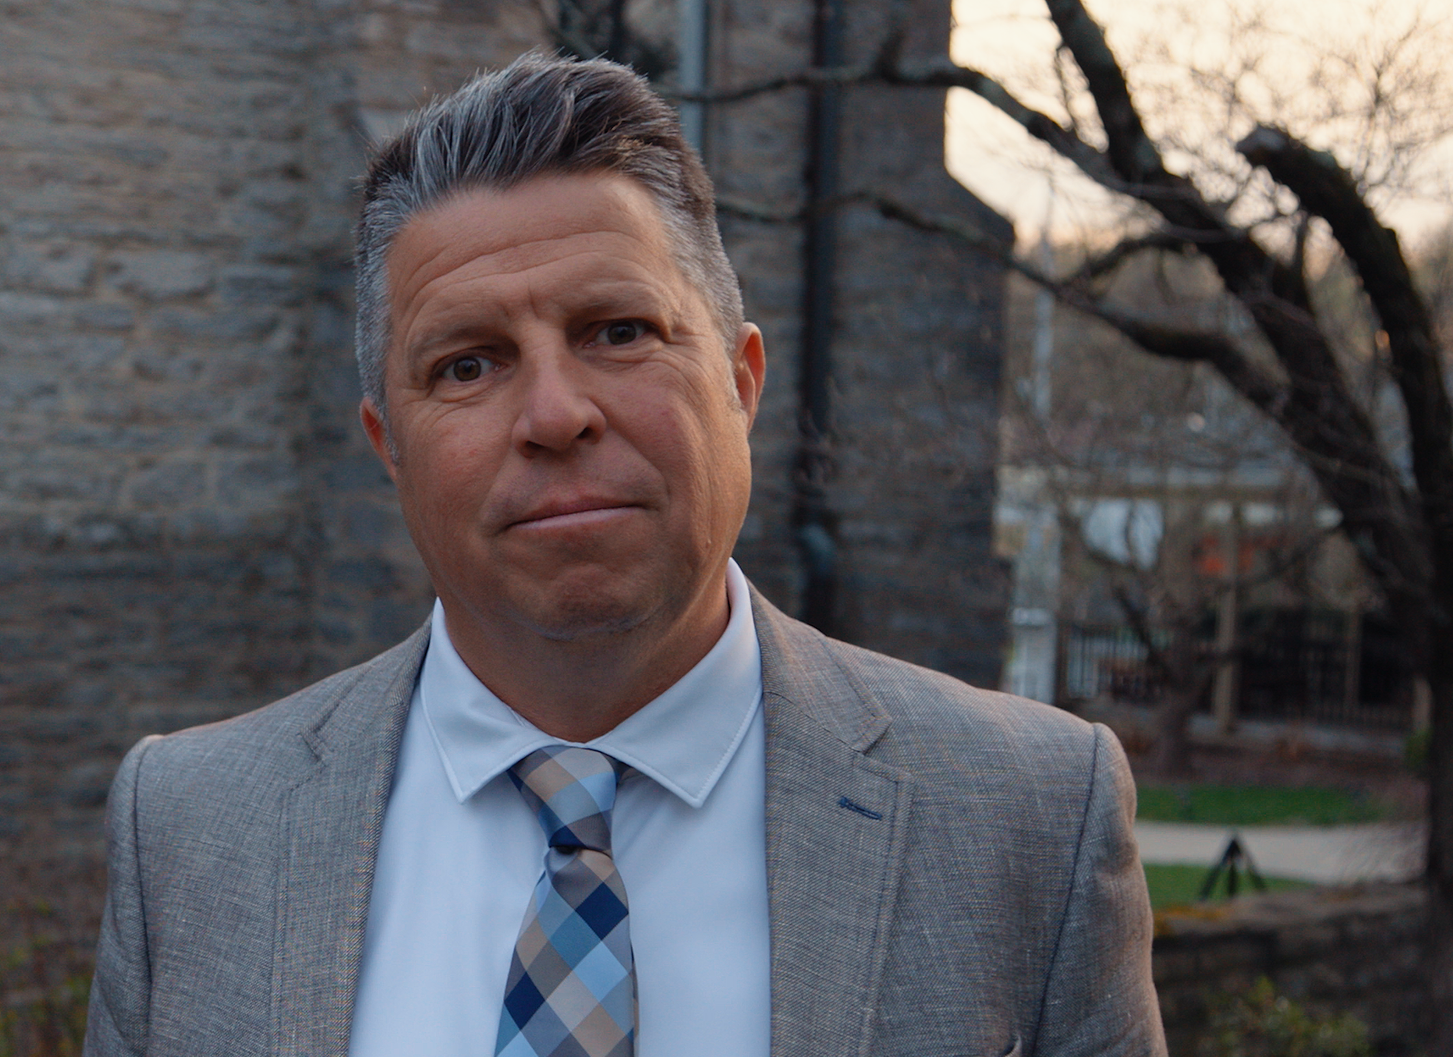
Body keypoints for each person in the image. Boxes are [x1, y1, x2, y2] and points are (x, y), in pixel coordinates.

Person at [83, 53, 1163, 1057]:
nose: (555, 414)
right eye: (468, 365)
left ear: (741, 381)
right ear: (389, 447)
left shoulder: (1030, 817)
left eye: (618, 330)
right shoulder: (187, 830)